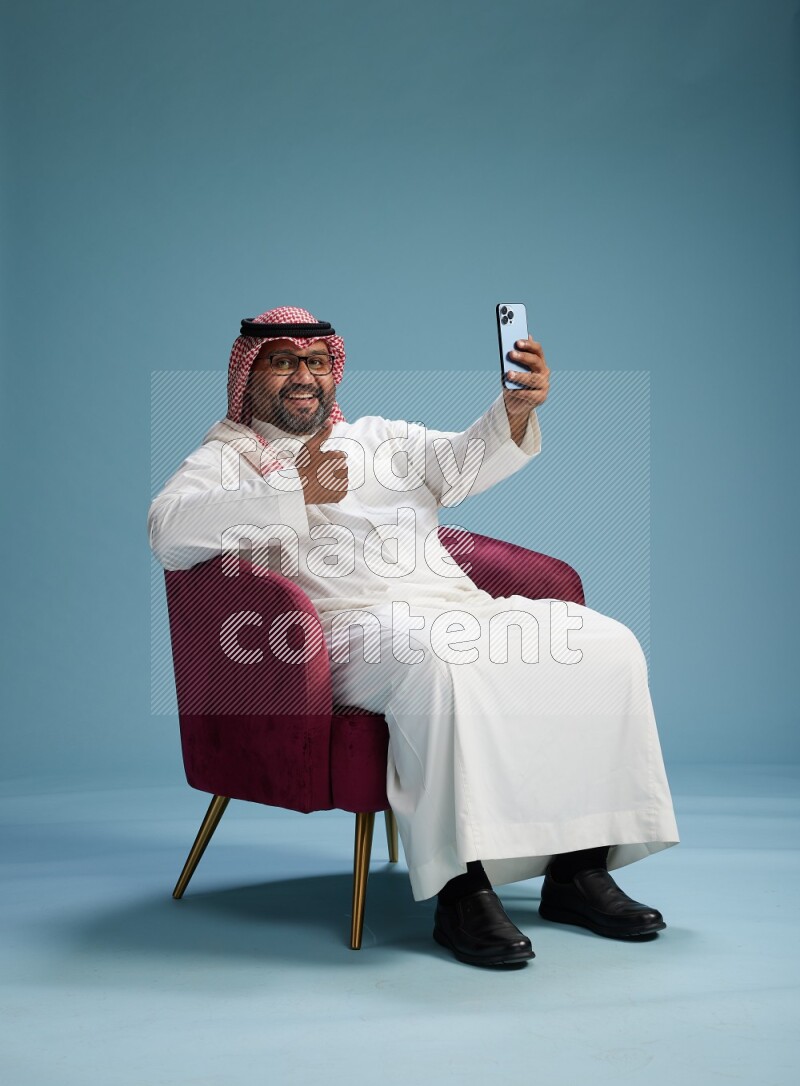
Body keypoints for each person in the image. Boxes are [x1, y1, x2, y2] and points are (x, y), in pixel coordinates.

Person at [148, 305, 680, 968]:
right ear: (249, 373)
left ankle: (578, 870)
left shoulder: (380, 438)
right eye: (282, 362)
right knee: (435, 661)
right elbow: (168, 532)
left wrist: (514, 409)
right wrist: (291, 491)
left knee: (602, 646)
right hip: (337, 634)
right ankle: (462, 890)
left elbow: (459, 464)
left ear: (334, 369)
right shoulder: (224, 459)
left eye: (315, 362)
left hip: (453, 607)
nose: (303, 377)